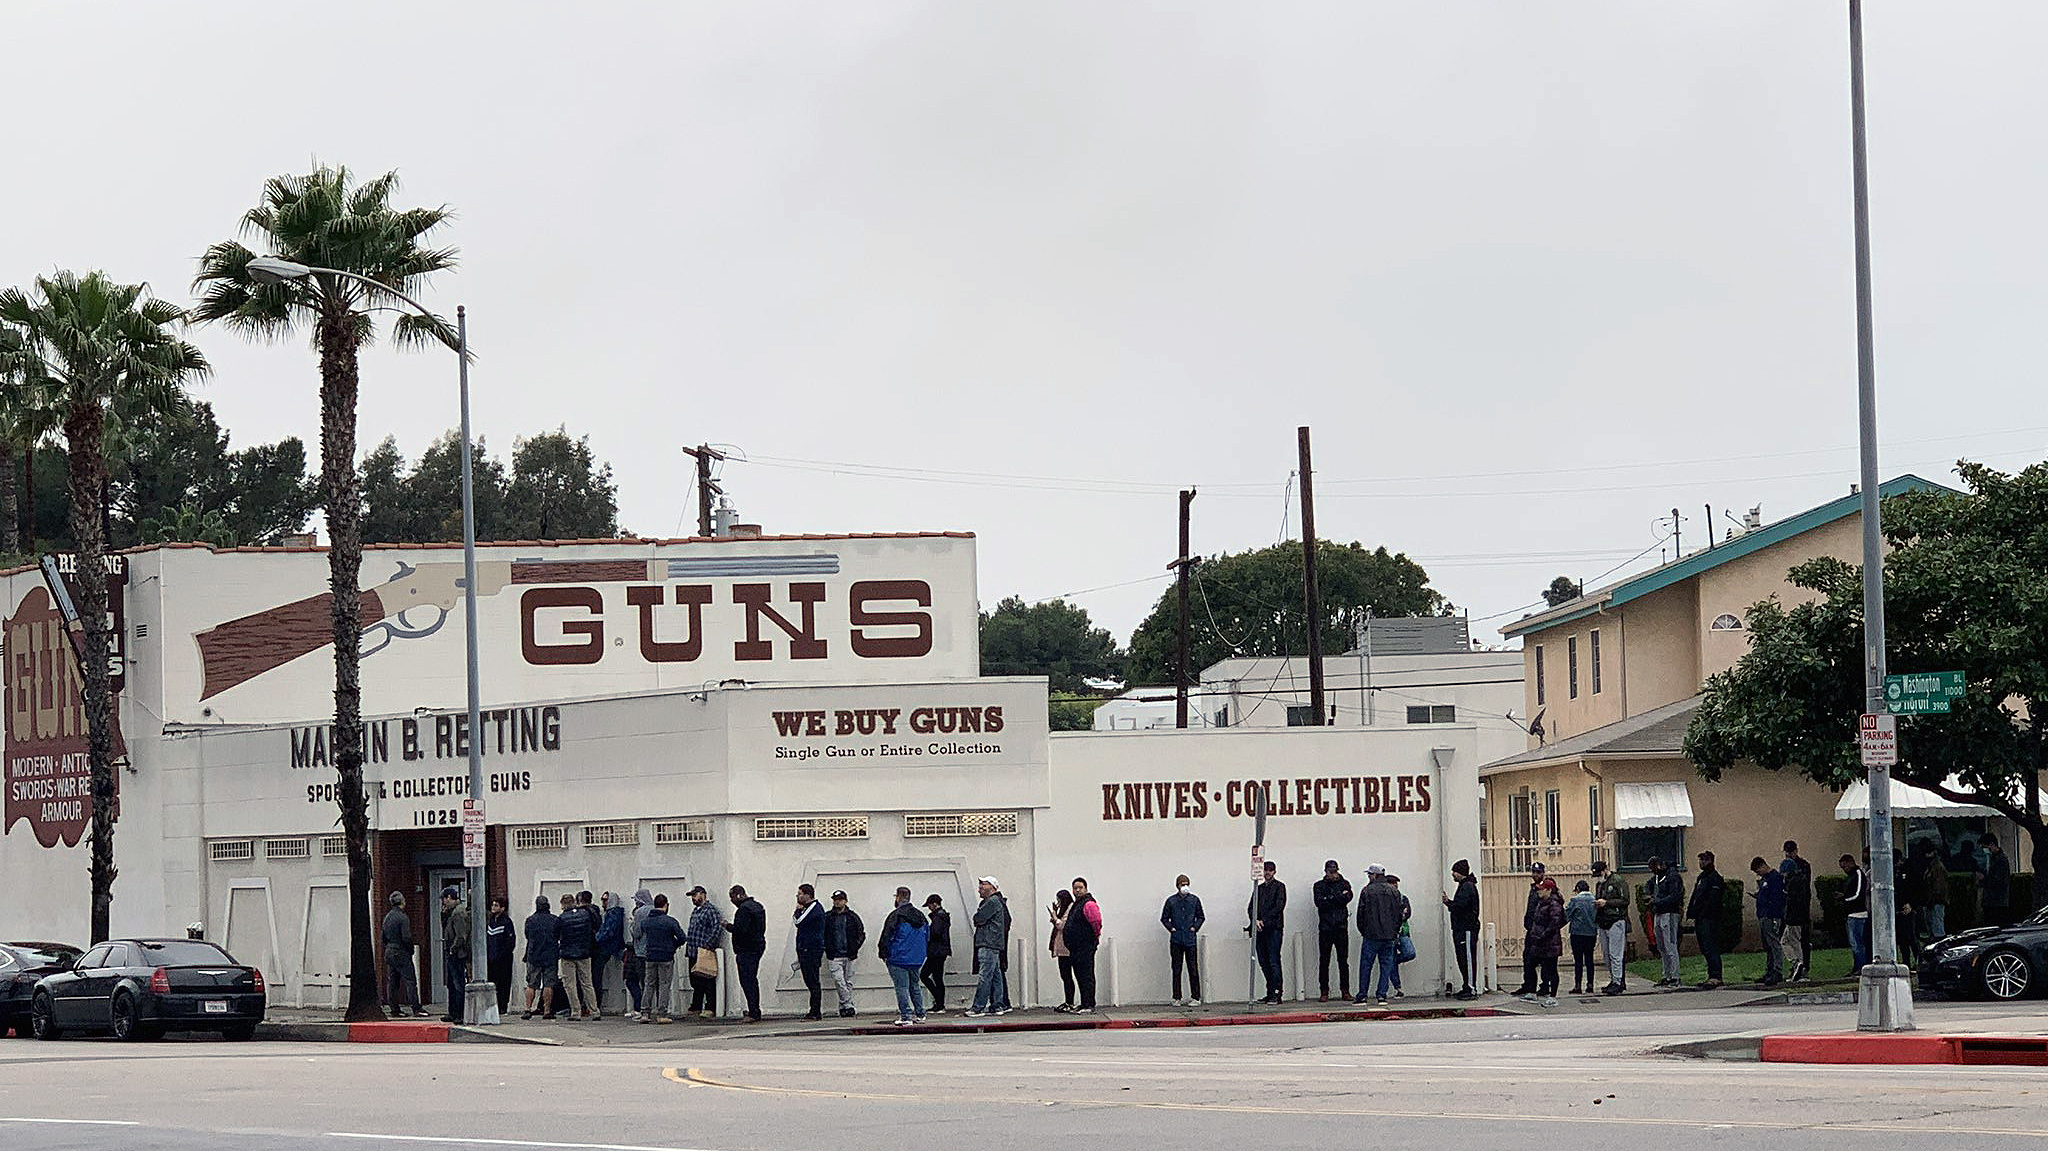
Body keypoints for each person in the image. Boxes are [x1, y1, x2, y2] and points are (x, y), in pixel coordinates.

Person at [878, 886, 931, 1026]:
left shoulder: (895, 915)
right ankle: (920, 1014)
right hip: (916, 958)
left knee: (901, 987)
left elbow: (886, 936)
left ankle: (906, 1016)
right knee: (915, 986)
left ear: (898, 897)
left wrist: (883, 953)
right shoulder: (921, 916)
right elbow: (927, 937)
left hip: (898, 958)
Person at [1354, 864, 1401, 1007]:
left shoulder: (1367, 891)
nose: (1368, 877)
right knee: (1386, 966)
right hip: (1389, 935)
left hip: (1371, 935)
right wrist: (1394, 931)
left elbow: (1360, 915)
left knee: (1366, 966)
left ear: (1374, 875)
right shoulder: (1394, 892)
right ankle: (1382, 995)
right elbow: (1398, 914)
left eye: (1369, 874)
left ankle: (1362, 995)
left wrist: (1363, 931)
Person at [967, 876, 1013, 1017]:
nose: (980, 887)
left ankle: (978, 1007)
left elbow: (978, 918)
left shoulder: (991, 902)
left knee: (985, 976)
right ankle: (998, 1005)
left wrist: (978, 918)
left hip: (987, 942)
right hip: (994, 943)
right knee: (996, 975)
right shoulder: (997, 901)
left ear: (992, 887)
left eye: (983, 884)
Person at [637, 894, 684, 1024]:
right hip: (666, 956)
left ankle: (645, 1012)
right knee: (664, 985)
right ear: (666, 905)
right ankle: (661, 1013)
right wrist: (672, 945)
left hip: (650, 956)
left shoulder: (646, 922)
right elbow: (682, 937)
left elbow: (641, 931)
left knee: (649, 984)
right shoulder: (670, 921)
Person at [1312, 860, 1353, 1002]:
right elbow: (1320, 903)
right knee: (1324, 961)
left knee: (1343, 961)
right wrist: (1337, 898)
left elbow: (1347, 898)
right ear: (1325, 871)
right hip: (1326, 927)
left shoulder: (1345, 883)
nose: (1333, 874)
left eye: (1335, 871)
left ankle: (1345, 990)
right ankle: (1324, 991)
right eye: (1330, 871)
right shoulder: (1319, 886)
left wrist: (1330, 899)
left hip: (1341, 927)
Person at [1161, 874, 1204, 1006]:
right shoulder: (1171, 901)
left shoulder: (1194, 900)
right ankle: (1176, 997)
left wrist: (1194, 928)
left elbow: (1201, 916)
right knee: (1176, 969)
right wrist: (1171, 929)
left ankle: (1196, 997)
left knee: (1193, 969)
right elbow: (1164, 918)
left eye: (1186, 884)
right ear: (1177, 886)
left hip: (1190, 939)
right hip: (1176, 939)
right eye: (1182, 884)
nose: (1184, 887)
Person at [725, 885, 767, 1021]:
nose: (732, 900)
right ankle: (754, 1009)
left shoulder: (744, 910)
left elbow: (740, 930)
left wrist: (727, 926)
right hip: (758, 946)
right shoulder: (758, 906)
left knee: (747, 980)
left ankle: (754, 1012)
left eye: (732, 897)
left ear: (738, 895)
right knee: (752, 979)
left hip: (746, 949)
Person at [557, 889, 600, 1020]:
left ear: (563, 904)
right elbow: (595, 927)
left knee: (570, 984)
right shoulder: (585, 915)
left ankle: (576, 1012)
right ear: (574, 902)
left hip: (567, 955)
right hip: (584, 953)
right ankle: (594, 1011)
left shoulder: (561, 918)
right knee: (587, 983)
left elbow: (557, 935)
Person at [1063, 877, 1104, 1013]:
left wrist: (1094, 938)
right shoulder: (1077, 904)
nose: (1077, 890)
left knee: (1086, 975)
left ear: (1086, 888)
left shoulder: (1088, 904)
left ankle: (1089, 1004)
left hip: (1085, 946)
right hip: (1075, 947)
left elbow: (1096, 922)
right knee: (1079, 975)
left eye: (1080, 887)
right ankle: (1083, 1002)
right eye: (1075, 888)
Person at [1248, 860, 1287, 1004]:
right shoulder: (1259, 888)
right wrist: (1255, 920)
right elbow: (1251, 907)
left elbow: (1279, 906)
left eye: (1270, 870)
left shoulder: (1279, 887)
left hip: (1274, 929)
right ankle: (1269, 991)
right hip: (1260, 931)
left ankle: (1277, 993)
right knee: (1263, 962)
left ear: (1274, 872)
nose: (1267, 873)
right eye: (1265, 870)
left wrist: (1264, 919)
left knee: (1273, 961)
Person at [684, 885, 725, 1019]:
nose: (693, 899)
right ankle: (696, 1005)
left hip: (703, 951)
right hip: (693, 951)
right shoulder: (696, 911)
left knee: (707, 979)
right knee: (695, 981)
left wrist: (708, 945)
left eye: (695, 895)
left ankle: (710, 1007)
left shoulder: (710, 910)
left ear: (703, 894)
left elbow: (716, 927)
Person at [824, 890, 866, 1018]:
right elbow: (823, 934)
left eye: (840, 899)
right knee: (839, 980)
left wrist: (855, 947)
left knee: (848, 982)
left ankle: (843, 1007)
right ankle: (848, 1004)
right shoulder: (828, 917)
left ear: (845, 901)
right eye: (836, 899)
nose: (838, 902)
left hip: (849, 954)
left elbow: (861, 933)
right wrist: (826, 947)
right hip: (834, 955)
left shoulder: (852, 917)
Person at [1443, 860, 1480, 999]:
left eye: (1455, 871)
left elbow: (1461, 907)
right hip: (1461, 928)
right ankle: (1466, 986)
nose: (1453, 874)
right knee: (1462, 958)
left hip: (1467, 929)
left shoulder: (1467, 887)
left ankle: (1471, 988)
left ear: (1460, 872)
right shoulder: (1464, 886)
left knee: (1467, 958)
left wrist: (1449, 903)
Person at [1688, 851, 1726, 990]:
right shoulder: (1702, 878)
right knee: (1705, 948)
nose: (1701, 863)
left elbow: (1714, 900)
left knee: (1711, 947)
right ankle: (1711, 975)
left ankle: (1716, 976)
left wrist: (1704, 912)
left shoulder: (1714, 878)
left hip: (1710, 918)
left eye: (1704, 860)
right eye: (1700, 860)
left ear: (1711, 861)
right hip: (1700, 918)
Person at [1644, 856, 1684, 988]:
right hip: (1659, 913)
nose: (1652, 872)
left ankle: (1675, 976)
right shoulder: (1656, 878)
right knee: (1662, 946)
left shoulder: (1673, 877)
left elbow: (1674, 896)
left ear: (1659, 865)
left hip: (1670, 913)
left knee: (1671, 945)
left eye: (1653, 868)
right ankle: (1667, 975)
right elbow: (1647, 885)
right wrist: (1648, 894)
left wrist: (1656, 901)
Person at [1523, 878, 1564, 1007]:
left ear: (1549, 890)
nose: (1539, 891)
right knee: (1530, 964)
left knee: (1551, 969)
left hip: (1549, 943)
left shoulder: (1554, 904)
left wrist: (1543, 935)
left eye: (1542, 889)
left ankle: (1553, 996)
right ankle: (1532, 992)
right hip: (1538, 942)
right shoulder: (1541, 902)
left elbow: (1555, 923)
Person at [1591, 860, 1629, 996]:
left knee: (1615, 954)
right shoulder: (1600, 884)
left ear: (1605, 870)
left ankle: (1618, 982)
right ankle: (1613, 979)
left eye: (1599, 873)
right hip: (1603, 920)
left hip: (1615, 920)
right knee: (1607, 955)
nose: (1598, 876)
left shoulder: (1617, 880)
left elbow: (1625, 900)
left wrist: (1606, 903)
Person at [381, 891, 422, 1017]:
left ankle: (394, 1009)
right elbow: (406, 937)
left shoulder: (387, 917)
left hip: (389, 951)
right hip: (401, 951)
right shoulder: (403, 917)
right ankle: (416, 1008)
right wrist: (410, 949)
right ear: (402, 902)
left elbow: (383, 937)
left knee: (393, 982)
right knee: (410, 981)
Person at [1510, 861, 1547, 996]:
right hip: (1531, 930)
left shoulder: (1546, 888)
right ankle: (1528, 985)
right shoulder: (1533, 888)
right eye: (1534, 872)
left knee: (1543, 961)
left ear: (1543, 873)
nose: (1535, 875)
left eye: (1538, 872)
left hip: (1541, 931)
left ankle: (1544, 986)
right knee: (1528, 959)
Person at [520, 895, 559, 1020]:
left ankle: (527, 1009)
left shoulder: (530, 920)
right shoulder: (554, 920)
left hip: (533, 955)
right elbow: (558, 936)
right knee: (548, 984)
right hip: (550, 955)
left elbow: (527, 936)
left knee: (531, 984)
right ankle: (547, 1010)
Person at [1779, 841, 1813, 982]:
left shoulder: (1802, 867)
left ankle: (1799, 965)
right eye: (1786, 851)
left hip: (1795, 914)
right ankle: (1798, 967)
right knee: (1795, 940)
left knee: (1794, 941)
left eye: (1790, 851)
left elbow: (1792, 896)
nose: (1788, 854)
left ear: (1795, 851)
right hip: (1798, 913)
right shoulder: (1797, 874)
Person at [1749, 856, 1786, 986]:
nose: (1758, 874)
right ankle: (1769, 970)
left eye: (1758, 871)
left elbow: (1777, 898)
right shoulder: (1765, 879)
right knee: (1768, 945)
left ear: (1763, 866)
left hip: (1771, 915)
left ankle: (1777, 970)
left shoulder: (1775, 878)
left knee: (1774, 943)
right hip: (1763, 915)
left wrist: (1772, 913)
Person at [793, 884, 826, 1020]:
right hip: (805, 948)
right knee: (809, 980)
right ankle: (813, 1010)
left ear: (808, 895)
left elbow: (798, 921)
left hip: (811, 949)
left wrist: (797, 910)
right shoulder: (809, 908)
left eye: (800, 894)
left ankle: (815, 1011)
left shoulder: (814, 908)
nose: (798, 897)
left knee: (813, 980)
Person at [440, 886, 471, 1024]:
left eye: (444, 900)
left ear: (449, 897)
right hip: (453, 952)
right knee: (451, 984)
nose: (444, 903)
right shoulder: (452, 912)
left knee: (458, 984)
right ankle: (453, 1012)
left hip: (457, 954)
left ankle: (459, 1013)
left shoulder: (458, 913)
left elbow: (461, 935)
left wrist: (453, 949)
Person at [593, 891, 625, 1016]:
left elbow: (608, 931)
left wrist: (596, 938)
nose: (603, 902)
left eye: (605, 900)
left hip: (606, 948)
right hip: (611, 948)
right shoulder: (613, 913)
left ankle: (597, 1004)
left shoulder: (613, 914)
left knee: (596, 975)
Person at [485, 896, 517, 1016]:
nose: (493, 907)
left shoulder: (506, 922)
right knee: (492, 982)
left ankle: (502, 1006)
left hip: (503, 959)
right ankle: (493, 1006)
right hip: (491, 958)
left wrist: (503, 955)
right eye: (493, 905)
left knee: (503, 983)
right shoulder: (490, 921)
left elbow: (510, 942)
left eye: (496, 905)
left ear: (502, 908)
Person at [625, 888, 653, 1021]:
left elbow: (636, 933)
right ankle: (656, 1009)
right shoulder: (654, 909)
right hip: (653, 950)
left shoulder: (640, 912)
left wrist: (631, 925)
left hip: (640, 951)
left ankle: (643, 1009)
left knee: (643, 981)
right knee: (654, 982)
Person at [1565, 880, 1597, 995]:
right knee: (1589, 959)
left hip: (1577, 933)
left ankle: (1578, 985)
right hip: (1591, 933)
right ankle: (1590, 984)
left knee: (1578, 960)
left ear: (1578, 889)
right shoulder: (1594, 900)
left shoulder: (1575, 900)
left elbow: (1567, 915)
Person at [921, 894, 952, 1013]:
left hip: (936, 951)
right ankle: (939, 1003)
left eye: (929, 905)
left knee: (925, 975)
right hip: (941, 951)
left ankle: (940, 1003)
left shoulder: (938, 917)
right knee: (937, 977)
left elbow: (936, 933)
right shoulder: (942, 916)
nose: (929, 908)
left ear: (934, 904)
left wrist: (927, 932)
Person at [1385, 874, 1413, 998]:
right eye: (1392, 883)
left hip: (1402, 932)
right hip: (1389, 933)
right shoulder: (1384, 899)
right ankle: (1398, 987)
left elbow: (1407, 913)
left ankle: (1393, 960)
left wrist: (1400, 915)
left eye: (1395, 883)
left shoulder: (1403, 898)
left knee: (1410, 953)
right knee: (1390, 957)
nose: (1395, 885)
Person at [1048, 888, 1077, 1011]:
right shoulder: (1065, 909)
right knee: (1065, 976)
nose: (1058, 903)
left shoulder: (1070, 908)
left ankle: (1070, 1002)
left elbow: (1062, 924)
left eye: (1059, 900)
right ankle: (1067, 1001)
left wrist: (1054, 916)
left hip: (1067, 948)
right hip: (1061, 948)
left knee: (1067, 976)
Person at [1841, 853, 1870, 974]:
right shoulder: (1851, 876)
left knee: (1858, 943)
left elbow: (1858, 894)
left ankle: (1862, 967)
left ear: (1850, 863)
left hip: (1859, 914)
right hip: (1851, 914)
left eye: (1845, 867)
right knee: (1854, 944)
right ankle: (1857, 966)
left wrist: (1845, 899)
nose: (1844, 870)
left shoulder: (1858, 874)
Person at [1921, 844, 1951, 941]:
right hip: (1932, 901)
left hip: (1937, 901)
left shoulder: (1937, 867)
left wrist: (1931, 900)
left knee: (1937, 926)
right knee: (1933, 924)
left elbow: (1938, 887)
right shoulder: (1932, 866)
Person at [1984, 838, 2012, 928]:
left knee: (1996, 923)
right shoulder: (1993, 858)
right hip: (1993, 900)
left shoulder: (2001, 859)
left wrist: (1984, 879)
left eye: (1986, 847)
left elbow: (1999, 880)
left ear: (1992, 844)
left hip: (1998, 900)